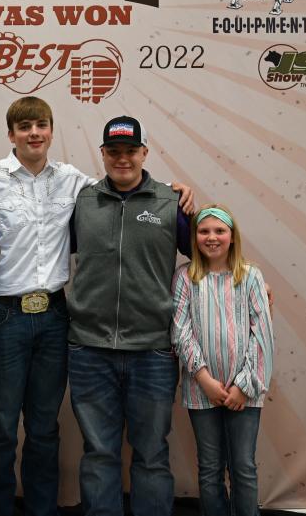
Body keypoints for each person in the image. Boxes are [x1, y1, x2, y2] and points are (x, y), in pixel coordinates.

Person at [0, 99, 194, 516]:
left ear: (52, 131)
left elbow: (126, 188)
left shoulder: (76, 183)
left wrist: (175, 191)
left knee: (43, 429)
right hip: (3, 318)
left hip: (57, 318)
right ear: (11, 135)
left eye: (41, 125)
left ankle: (42, 511)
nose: (33, 133)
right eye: (24, 126)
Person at [67, 115, 191, 516]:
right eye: (114, 152)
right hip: (89, 349)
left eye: (130, 151)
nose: (123, 159)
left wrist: (250, 281)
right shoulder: (81, 202)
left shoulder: (171, 202)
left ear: (144, 153)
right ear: (103, 154)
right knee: (99, 453)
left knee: (152, 453)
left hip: (152, 351)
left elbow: (212, 254)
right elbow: (31, 243)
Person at [171, 204, 274, 516]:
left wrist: (244, 386)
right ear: (194, 237)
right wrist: (204, 379)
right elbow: (180, 331)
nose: (211, 237)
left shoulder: (251, 277)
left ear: (232, 236)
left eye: (219, 231)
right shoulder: (185, 277)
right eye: (204, 231)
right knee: (210, 467)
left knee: (243, 466)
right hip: (202, 389)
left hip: (246, 390)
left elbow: (263, 335)